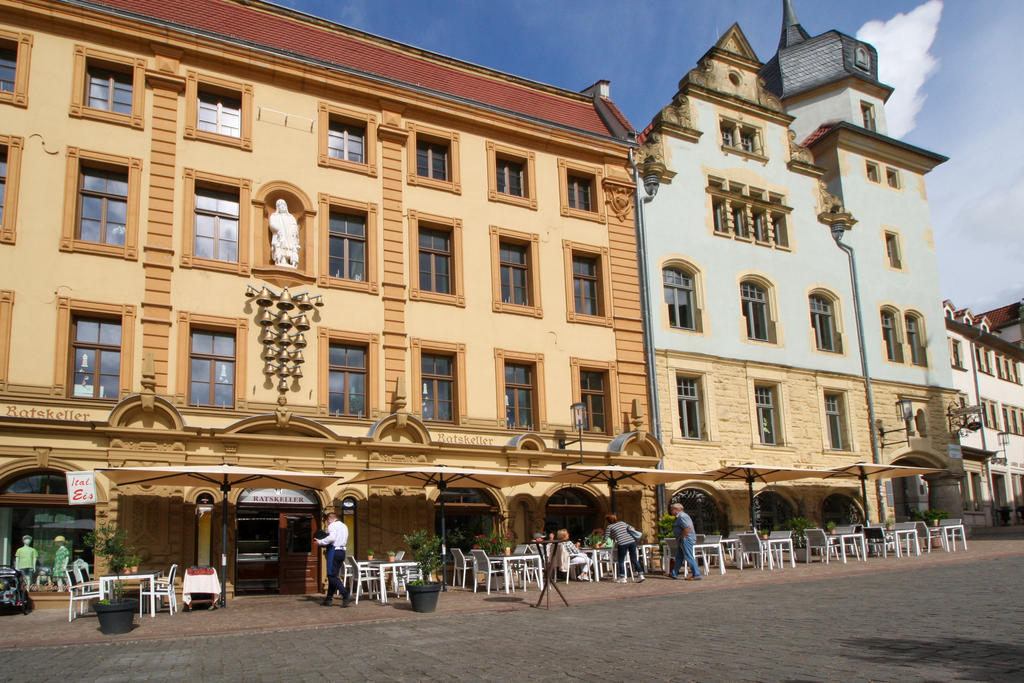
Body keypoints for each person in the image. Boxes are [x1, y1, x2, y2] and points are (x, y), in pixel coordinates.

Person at [314, 511, 353, 607]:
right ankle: (328, 598)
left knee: (331, 575)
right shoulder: (344, 526)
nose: (327, 524)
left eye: (327, 521)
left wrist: (320, 542)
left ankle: (346, 594)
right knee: (334, 575)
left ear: (329, 519)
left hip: (334, 551)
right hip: (342, 551)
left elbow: (332, 538)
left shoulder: (332, 526)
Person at [603, 514, 645, 583]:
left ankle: (622, 577)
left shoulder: (609, 527)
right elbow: (632, 528)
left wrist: (599, 544)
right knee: (634, 559)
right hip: (632, 541)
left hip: (622, 543)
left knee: (621, 560)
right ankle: (641, 575)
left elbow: (605, 538)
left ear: (608, 521)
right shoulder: (622, 523)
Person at [668, 503, 701, 581]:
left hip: (686, 539)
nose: (671, 511)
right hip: (681, 539)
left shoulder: (682, 516)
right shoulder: (679, 517)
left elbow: (688, 527)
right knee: (679, 557)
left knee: (689, 556)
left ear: (676, 510)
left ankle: (696, 574)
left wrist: (683, 537)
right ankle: (674, 573)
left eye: (672, 509)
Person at [269, 198, 300, 268]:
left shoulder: (291, 217)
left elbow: (294, 225)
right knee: (281, 246)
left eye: (284, 205)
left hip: (289, 236)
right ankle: (282, 260)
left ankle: (288, 260)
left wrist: (294, 230)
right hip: (280, 235)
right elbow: (272, 225)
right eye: (280, 205)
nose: (282, 207)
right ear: (278, 207)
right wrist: (278, 229)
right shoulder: (274, 216)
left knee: (290, 247)